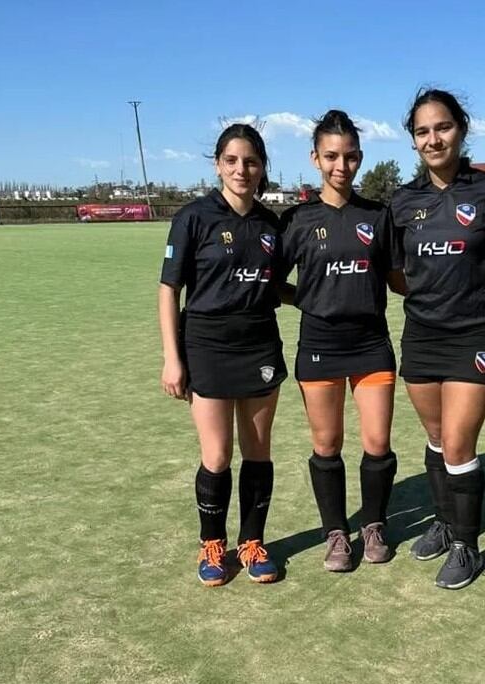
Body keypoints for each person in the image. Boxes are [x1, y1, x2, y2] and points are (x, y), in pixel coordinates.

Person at [389, 88, 485, 590]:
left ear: (461, 129)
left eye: (442, 127)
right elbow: (397, 273)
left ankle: (468, 545)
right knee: (437, 438)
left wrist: (468, 289)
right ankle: (444, 523)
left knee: (460, 442)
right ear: (414, 140)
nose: (433, 138)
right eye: (423, 131)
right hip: (421, 333)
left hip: (474, 333)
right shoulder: (403, 200)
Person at [159, 123, 286, 586]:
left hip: (259, 345)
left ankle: (253, 543)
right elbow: (168, 290)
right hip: (207, 346)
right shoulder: (193, 218)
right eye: (231, 161)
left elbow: (276, 288)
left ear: (262, 167)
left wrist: (328, 292)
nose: (241, 170)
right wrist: (173, 358)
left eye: (250, 162)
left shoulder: (272, 224)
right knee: (217, 455)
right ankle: (212, 543)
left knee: (258, 452)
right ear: (217, 165)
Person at [280, 110, 403, 572]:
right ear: (315, 158)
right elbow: (273, 283)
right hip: (320, 344)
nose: (341, 165)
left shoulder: (378, 215)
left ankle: (373, 524)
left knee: (376, 442)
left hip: (371, 343)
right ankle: (336, 533)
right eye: (331, 156)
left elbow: (396, 279)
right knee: (327, 443)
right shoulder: (297, 219)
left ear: (360, 159)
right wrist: (307, 299)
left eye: (350, 156)